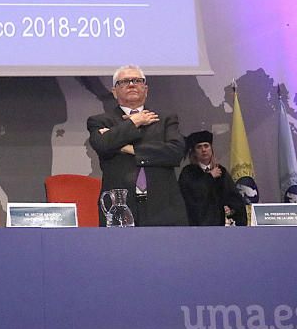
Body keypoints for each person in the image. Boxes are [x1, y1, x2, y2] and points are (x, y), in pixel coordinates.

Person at [87, 65, 187, 226]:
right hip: (120, 205)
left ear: (145, 89)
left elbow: (175, 152)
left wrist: (130, 149)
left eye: (137, 80)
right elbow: (103, 145)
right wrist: (135, 121)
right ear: (114, 91)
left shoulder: (165, 119)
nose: (132, 84)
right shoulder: (100, 121)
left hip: (163, 206)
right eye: (125, 81)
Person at [178, 130, 247, 226]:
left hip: (218, 226)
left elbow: (234, 198)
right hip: (195, 226)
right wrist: (209, 177)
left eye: (206, 146)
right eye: (199, 147)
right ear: (194, 152)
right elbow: (192, 196)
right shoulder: (188, 172)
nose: (203, 150)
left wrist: (231, 210)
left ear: (211, 149)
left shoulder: (221, 172)